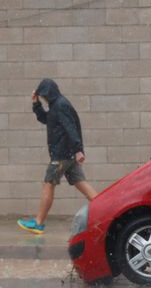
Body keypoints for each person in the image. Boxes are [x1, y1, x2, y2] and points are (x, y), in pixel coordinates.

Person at [17, 79, 98, 235]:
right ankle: (108, 211)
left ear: (49, 93)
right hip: (68, 155)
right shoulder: (57, 105)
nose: (44, 98)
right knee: (82, 184)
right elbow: (46, 120)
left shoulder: (60, 105)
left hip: (61, 155)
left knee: (48, 184)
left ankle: (38, 223)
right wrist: (36, 104)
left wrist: (78, 150)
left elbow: (71, 128)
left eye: (44, 96)